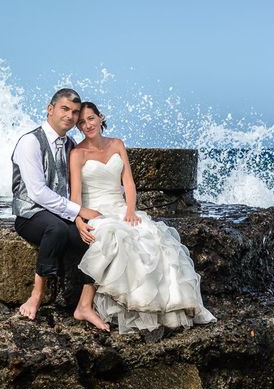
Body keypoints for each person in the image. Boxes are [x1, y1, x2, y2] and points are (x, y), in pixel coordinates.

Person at [70, 101, 215, 333]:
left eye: (91, 119)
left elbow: (128, 182)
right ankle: (85, 306)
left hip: (122, 208)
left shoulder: (117, 144)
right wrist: (78, 220)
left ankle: (163, 308)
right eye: (81, 122)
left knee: (153, 238)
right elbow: (75, 196)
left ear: (100, 117)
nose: (87, 125)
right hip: (97, 212)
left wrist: (130, 210)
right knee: (114, 236)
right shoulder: (77, 153)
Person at [11, 89, 109, 331]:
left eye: (75, 112)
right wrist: (78, 211)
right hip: (30, 214)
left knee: (97, 237)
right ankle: (36, 296)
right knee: (55, 230)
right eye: (65, 109)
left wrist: (78, 218)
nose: (70, 116)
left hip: (60, 213)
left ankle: (84, 306)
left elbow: (71, 190)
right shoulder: (30, 142)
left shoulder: (71, 146)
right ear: (50, 108)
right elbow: (37, 192)